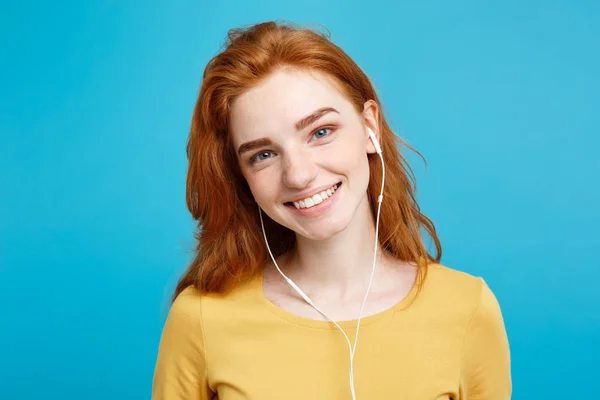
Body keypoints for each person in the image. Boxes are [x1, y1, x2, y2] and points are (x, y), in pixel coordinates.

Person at [152, 21, 511, 400]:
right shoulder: (202, 320)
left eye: (320, 132)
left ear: (369, 125)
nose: (300, 175)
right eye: (264, 155)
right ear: (242, 178)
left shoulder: (468, 308)